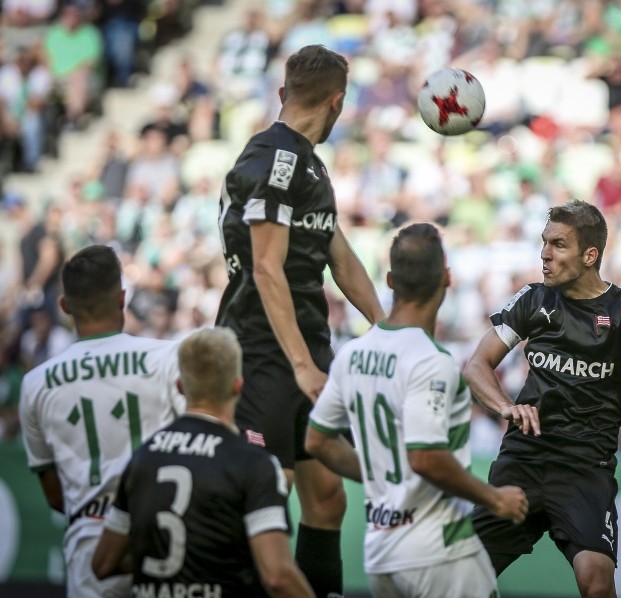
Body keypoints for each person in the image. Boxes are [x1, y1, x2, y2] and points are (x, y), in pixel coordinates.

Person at [215, 44, 385, 598]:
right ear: (338, 102)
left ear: (284, 92)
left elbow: (338, 254)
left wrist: (387, 325)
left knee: (327, 498)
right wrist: (301, 365)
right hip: (264, 351)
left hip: (305, 348)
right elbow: (266, 269)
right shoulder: (274, 159)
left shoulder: (307, 162)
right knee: (268, 495)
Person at [463, 199, 621, 598]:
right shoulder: (533, 299)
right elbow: (476, 365)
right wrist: (507, 406)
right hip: (523, 459)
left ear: (589, 254)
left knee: (596, 583)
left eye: (558, 244)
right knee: (463, 577)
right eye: (544, 242)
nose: (544, 254)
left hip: (583, 468)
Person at [305, 223, 528, 597]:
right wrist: (495, 499)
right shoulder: (431, 361)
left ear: (390, 280)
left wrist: (381, 473)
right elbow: (425, 458)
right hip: (439, 553)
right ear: (447, 278)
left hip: (380, 555)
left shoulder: (353, 354)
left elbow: (317, 441)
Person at [92, 327, 315, 598]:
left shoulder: (143, 458)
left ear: (180, 386)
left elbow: (103, 564)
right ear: (238, 385)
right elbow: (278, 577)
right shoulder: (254, 464)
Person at [19, 245, 183, 598]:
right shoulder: (167, 359)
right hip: (164, 540)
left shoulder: (35, 384)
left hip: (89, 548)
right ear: (122, 298)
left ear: (64, 306)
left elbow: (54, 494)